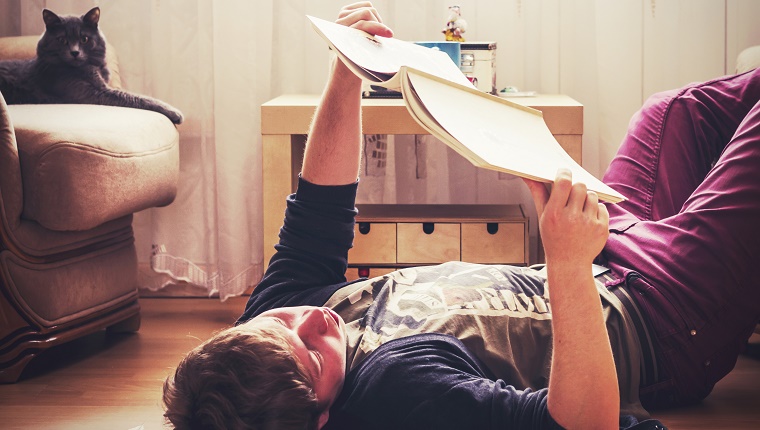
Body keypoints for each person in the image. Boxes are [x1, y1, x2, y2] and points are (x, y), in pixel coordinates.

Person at [162, 3, 760, 429]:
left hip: (601, 253)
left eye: (282, 323)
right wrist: (567, 264)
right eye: (315, 354)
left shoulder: (267, 328)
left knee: (677, 110)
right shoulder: (398, 395)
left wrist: (346, 72)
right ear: (322, 419)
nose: (317, 318)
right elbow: (583, 424)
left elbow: (317, 208)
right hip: (660, 319)